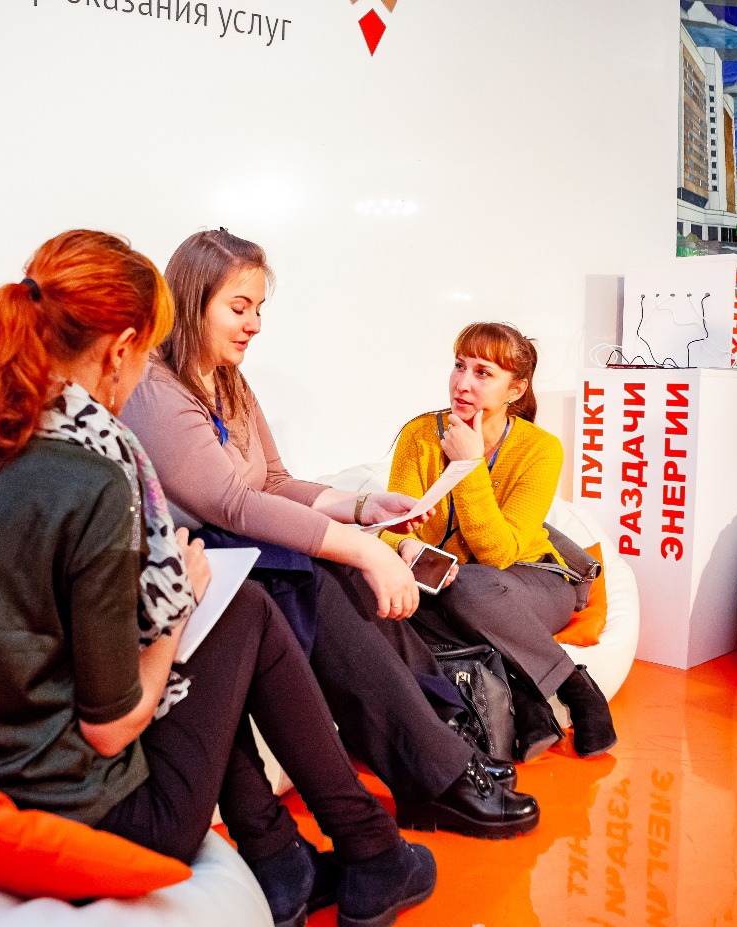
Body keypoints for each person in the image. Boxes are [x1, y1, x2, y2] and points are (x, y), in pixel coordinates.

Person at [0, 230, 436, 927]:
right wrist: (178, 606)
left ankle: (286, 860)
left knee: (234, 615)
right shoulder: (95, 477)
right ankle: (366, 846)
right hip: (99, 813)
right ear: (122, 349)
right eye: (239, 306)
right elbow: (110, 729)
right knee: (239, 611)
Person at [121, 228, 540, 839]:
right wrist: (365, 547)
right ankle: (436, 773)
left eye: (259, 309)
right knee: (316, 575)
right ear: (191, 302)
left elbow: (274, 480)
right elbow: (234, 504)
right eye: (239, 308)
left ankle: (442, 748)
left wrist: (364, 508)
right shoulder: (157, 389)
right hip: (194, 566)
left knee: (336, 568)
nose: (254, 324)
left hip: (236, 551)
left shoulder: (229, 380)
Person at [383, 322, 617, 760]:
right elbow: (391, 526)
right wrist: (403, 546)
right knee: (394, 606)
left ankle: (575, 687)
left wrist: (469, 465)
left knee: (470, 585)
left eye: (483, 373)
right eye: (459, 366)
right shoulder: (420, 435)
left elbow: (499, 554)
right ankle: (524, 696)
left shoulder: (540, 449)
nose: (462, 383)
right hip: (447, 586)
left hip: (533, 582)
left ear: (516, 389)